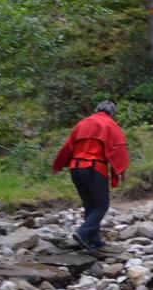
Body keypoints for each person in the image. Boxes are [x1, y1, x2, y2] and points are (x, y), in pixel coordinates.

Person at [52, 100, 129, 252]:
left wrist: (58, 165)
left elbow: (68, 146)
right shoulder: (109, 124)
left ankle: (94, 240)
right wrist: (121, 170)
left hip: (76, 168)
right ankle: (82, 232)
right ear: (112, 113)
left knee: (90, 205)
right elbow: (118, 148)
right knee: (101, 205)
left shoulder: (82, 123)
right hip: (94, 168)